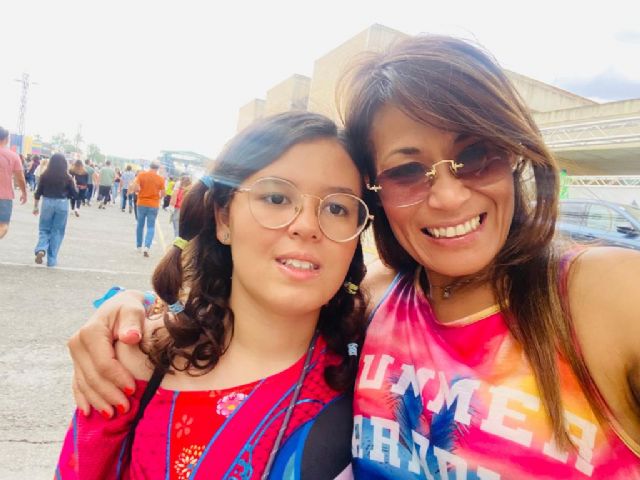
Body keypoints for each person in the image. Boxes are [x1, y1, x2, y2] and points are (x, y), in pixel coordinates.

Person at [66, 35, 640, 478]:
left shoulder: (604, 294)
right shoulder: (379, 304)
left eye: (476, 156)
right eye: (408, 169)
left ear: (514, 155)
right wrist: (128, 313)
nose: (447, 195)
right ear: (380, 193)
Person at [56, 111, 371, 479]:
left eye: (336, 208)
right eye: (276, 197)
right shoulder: (136, 362)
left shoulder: (375, 379)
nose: (307, 225)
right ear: (223, 218)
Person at [33, 153, 77, 267]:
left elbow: (38, 192)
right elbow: (74, 194)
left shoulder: (45, 175)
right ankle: (52, 260)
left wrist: (35, 206)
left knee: (44, 229)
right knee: (57, 231)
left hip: (47, 202)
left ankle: (41, 248)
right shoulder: (68, 178)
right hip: (62, 203)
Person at [131, 161, 164, 256]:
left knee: (140, 225)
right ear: (157, 168)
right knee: (151, 226)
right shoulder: (160, 179)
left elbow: (135, 188)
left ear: (150, 166)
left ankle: (139, 246)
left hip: (141, 203)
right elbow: (163, 193)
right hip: (153, 204)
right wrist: (157, 198)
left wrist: (139, 191)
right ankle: (147, 246)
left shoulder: (141, 175)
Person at [0, 126, 27, 239]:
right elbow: (20, 178)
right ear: (6, 139)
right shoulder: (13, 156)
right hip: (4, 197)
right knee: (3, 226)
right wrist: (24, 193)